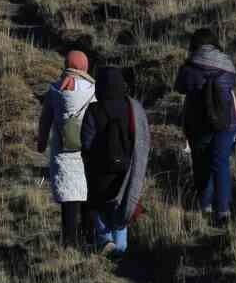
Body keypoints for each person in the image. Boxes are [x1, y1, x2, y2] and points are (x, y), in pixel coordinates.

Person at [174, 29, 236, 227]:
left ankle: (205, 206)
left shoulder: (189, 67)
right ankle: (223, 210)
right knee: (221, 164)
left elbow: (179, 88)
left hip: (198, 123)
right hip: (226, 122)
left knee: (201, 163)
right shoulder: (227, 64)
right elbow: (232, 86)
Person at [81, 65, 150, 257]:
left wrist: (89, 160)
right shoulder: (133, 108)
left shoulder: (93, 109)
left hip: (100, 167)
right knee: (122, 204)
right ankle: (120, 248)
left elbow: (86, 142)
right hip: (128, 167)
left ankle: (105, 240)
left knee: (97, 204)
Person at [36, 50, 97, 248]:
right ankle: (90, 239)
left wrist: (41, 143)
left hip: (63, 152)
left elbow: (45, 120)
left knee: (69, 198)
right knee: (88, 193)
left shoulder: (55, 90)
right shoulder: (93, 90)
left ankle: (69, 243)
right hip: (88, 150)